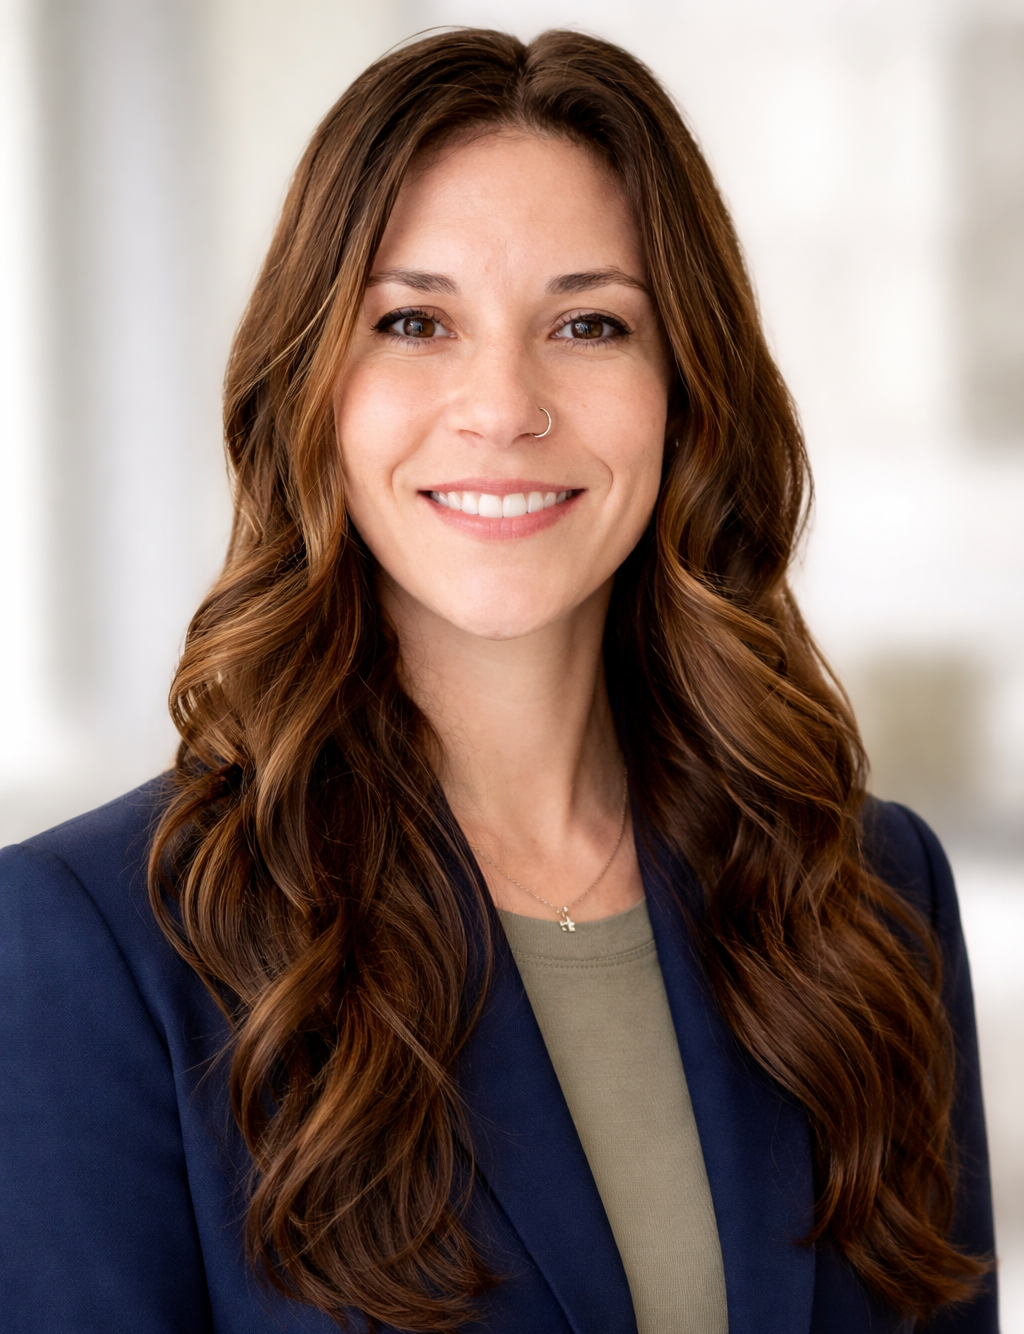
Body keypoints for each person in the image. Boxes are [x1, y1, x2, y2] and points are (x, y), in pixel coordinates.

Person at [0, 28, 997, 1334]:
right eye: (414, 322)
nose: (503, 404)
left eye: (589, 323)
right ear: (314, 393)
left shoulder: (869, 894)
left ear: (686, 390)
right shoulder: (90, 942)